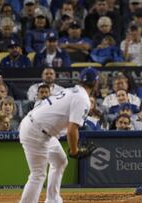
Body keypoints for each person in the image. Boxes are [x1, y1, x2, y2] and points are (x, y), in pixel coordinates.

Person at [18, 67, 98, 203]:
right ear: (95, 83)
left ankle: (53, 199)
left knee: (60, 161)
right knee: (38, 174)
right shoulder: (83, 99)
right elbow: (72, 130)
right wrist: (74, 151)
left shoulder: (72, 90)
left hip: (40, 129)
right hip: (36, 132)